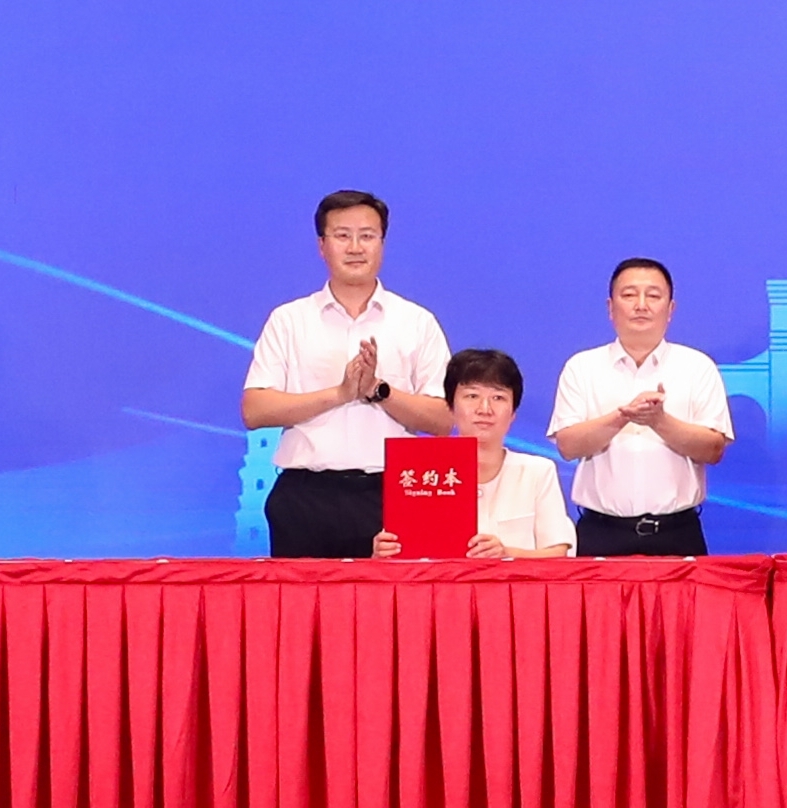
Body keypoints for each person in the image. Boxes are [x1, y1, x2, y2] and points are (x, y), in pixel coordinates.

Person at [240, 190, 456, 558]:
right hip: (305, 498)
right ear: (322, 246)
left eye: (367, 236)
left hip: (393, 496)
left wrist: (378, 390)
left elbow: (442, 420)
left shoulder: (417, 322)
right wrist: (340, 394)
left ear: (382, 243)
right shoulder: (289, 320)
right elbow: (255, 410)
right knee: (303, 597)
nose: (355, 247)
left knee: (391, 597)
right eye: (342, 235)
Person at [549, 258, 736, 556]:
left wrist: (658, 421)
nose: (641, 305)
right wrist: (622, 417)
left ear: (670, 309)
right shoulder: (582, 367)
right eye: (629, 295)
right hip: (600, 532)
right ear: (610, 307)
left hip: (678, 533)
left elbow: (713, 450)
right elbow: (568, 446)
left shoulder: (697, 367)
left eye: (653, 295)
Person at [371, 349, 573, 558]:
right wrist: (383, 553)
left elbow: (558, 553)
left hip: (516, 580)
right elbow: (403, 557)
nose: (485, 409)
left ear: (513, 413)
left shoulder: (538, 471)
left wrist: (507, 553)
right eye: (472, 396)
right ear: (450, 407)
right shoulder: (420, 472)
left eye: (498, 397)